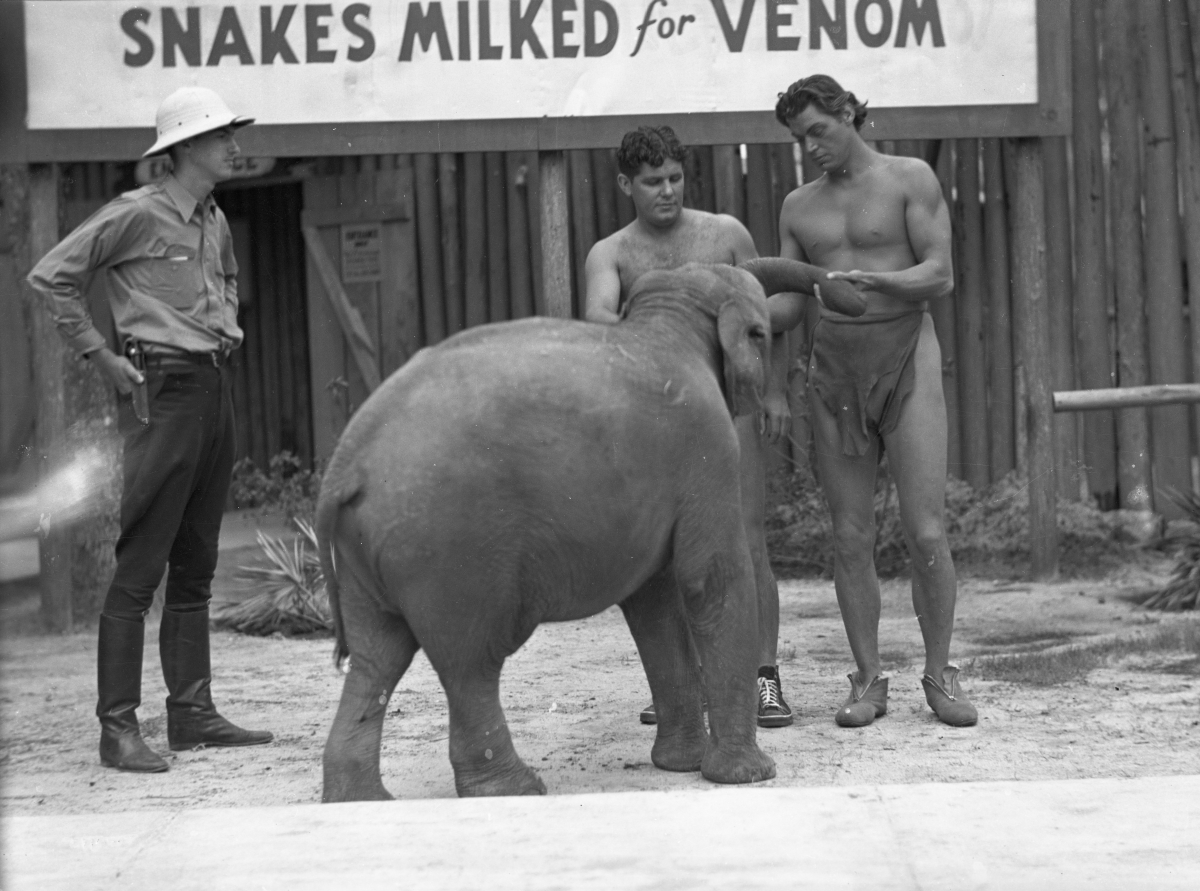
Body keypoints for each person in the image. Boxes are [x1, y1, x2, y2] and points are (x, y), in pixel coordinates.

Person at [27, 87, 274, 772]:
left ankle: (191, 713)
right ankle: (117, 728)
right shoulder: (136, 214)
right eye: (222, 135)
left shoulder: (214, 217)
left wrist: (223, 323)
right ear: (185, 147)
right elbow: (51, 277)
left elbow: (223, 282)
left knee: (197, 557)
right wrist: (101, 354)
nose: (234, 144)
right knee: (142, 562)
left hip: (213, 384)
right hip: (160, 389)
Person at [769, 75, 977, 727]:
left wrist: (874, 280)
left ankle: (940, 672)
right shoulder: (799, 207)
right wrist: (741, 297)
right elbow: (792, 304)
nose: (811, 148)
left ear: (849, 113)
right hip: (835, 368)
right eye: (801, 139)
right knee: (850, 534)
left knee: (926, 530)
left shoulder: (909, 178)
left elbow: (940, 273)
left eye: (818, 132)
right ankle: (866, 679)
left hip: (906, 351)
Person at [584, 125, 794, 728]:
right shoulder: (613, 253)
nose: (667, 192)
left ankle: (764, 679)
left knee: (746, 540)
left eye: (675, 178)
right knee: (666, 553)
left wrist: (774, 387)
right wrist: (673, 305)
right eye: (653, 182)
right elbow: (598, 316)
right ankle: (682, 684)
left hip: (732, 405)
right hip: (657, 418)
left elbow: (766, 311)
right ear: (627, 184)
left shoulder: (724, 233)